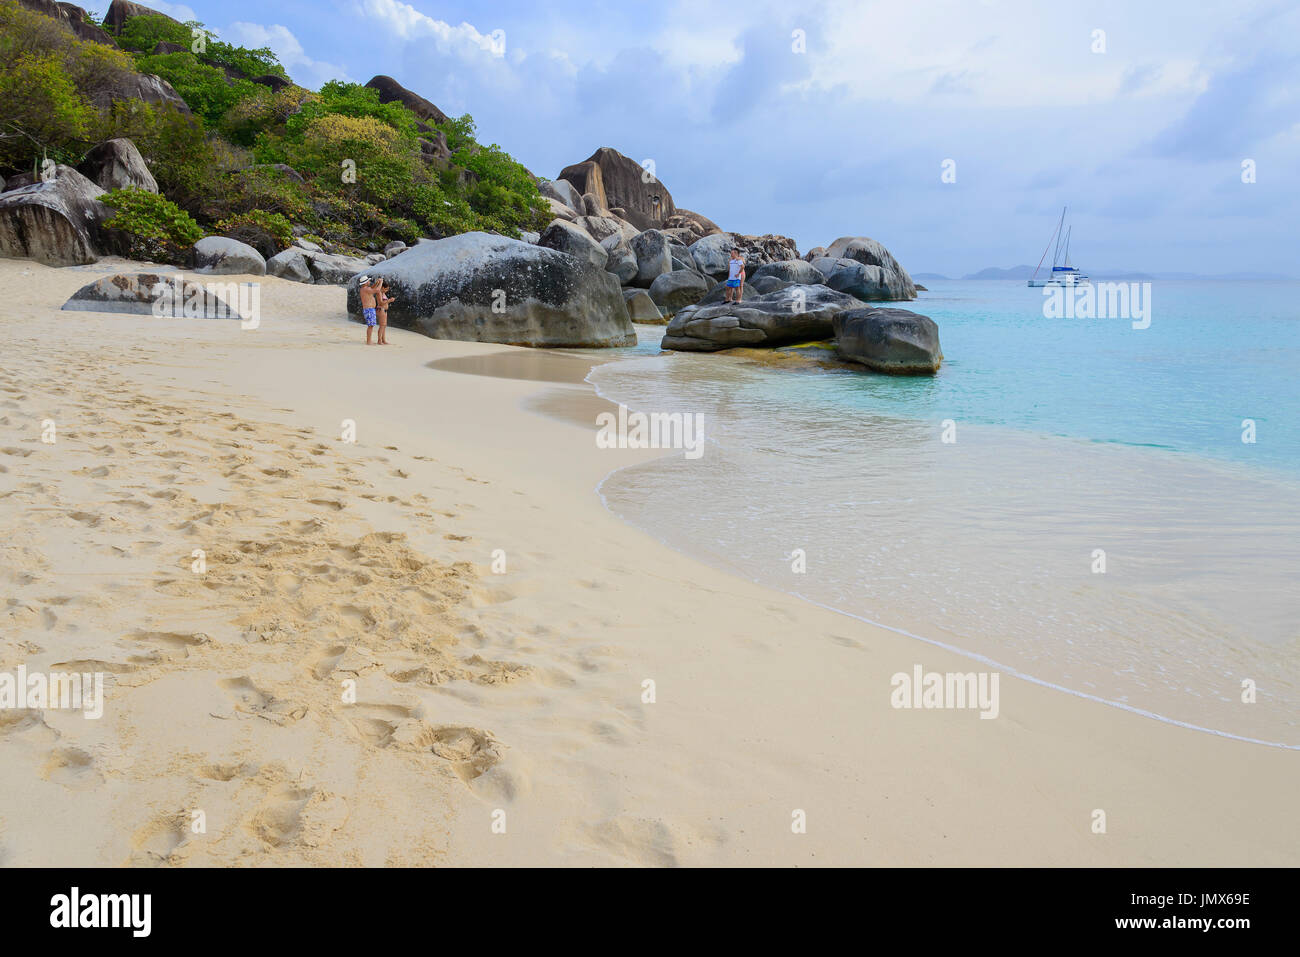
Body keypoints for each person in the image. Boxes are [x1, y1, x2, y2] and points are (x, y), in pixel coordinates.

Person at [357, 276, 379, 345]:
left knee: (371, 325)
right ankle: (368, 341)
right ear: (365, 283)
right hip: (369, 310)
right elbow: (377, 290)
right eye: (368, 281)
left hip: (370, 309)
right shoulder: (365, 289)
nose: (369, 282)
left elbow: (372, 288)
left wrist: (376, 283)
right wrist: (380, 283)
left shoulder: (364, 289)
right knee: (370, 326)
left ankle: (369, 340)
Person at [375, 280, 395, 345]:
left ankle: (383, 340)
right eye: (386, 289)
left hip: (384, 310)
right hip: (381, 309)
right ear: (382, 287)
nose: (387, 290)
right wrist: (389, 300)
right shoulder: (379, 293)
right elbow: (380, 303)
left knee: (384, 326)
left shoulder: (383, 293)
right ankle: (379, 340)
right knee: (382, 326)